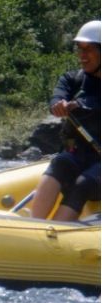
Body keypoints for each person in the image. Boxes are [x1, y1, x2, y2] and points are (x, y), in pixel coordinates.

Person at [30, 20, 101, 221]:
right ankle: (33, 228)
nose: (82, 55)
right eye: (80, 49)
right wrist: (58, 105)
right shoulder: (72, 79)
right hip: (77, 154)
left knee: (82, 184)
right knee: (60, 164)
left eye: (89, 49)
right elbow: (56, 98)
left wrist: (82, 106)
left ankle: (54, 239)